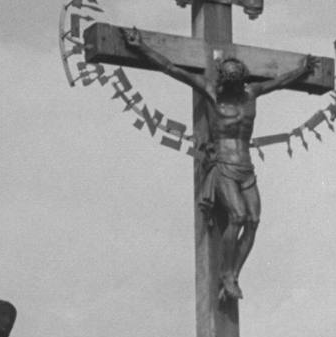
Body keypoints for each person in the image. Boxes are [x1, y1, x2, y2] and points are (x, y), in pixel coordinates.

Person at [124, 32, 316, 301]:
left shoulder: (252, 93)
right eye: (229, 83)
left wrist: (302, 70)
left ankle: (233, 273)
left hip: (246, 167)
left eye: (237, 84)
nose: (232, 88)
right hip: (224, 166)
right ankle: (226, 274)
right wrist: (142, 48)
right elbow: (171, 68)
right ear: (223, 80)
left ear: (242, 81)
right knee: (237, 216)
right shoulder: (213, 93)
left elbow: (281, 81)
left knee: (254, 220)